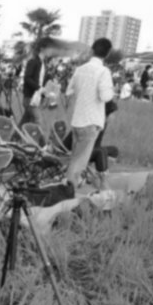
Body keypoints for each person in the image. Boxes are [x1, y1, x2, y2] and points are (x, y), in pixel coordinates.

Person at [65, 37, 115, 190]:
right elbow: (105, 96)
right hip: (91, 121)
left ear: (92, 50)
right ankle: (68, 192)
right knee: (79, 164)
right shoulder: (103, 71)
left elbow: (68, 91)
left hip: (77, 121)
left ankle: (67, 189)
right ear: (107, 54)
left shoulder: (80, 69)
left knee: (75, 159)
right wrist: (111, 90)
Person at [19, 37, 56, 126]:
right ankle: (36, 136)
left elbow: (41, 79)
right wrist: (39, 88)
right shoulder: (33, 62)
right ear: (42, 48)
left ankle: (16, 134)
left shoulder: (43, 64)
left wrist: (50, 79)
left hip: (37, 97)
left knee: (26, 121)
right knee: (38, 120)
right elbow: (27, 78)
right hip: (30, 98)